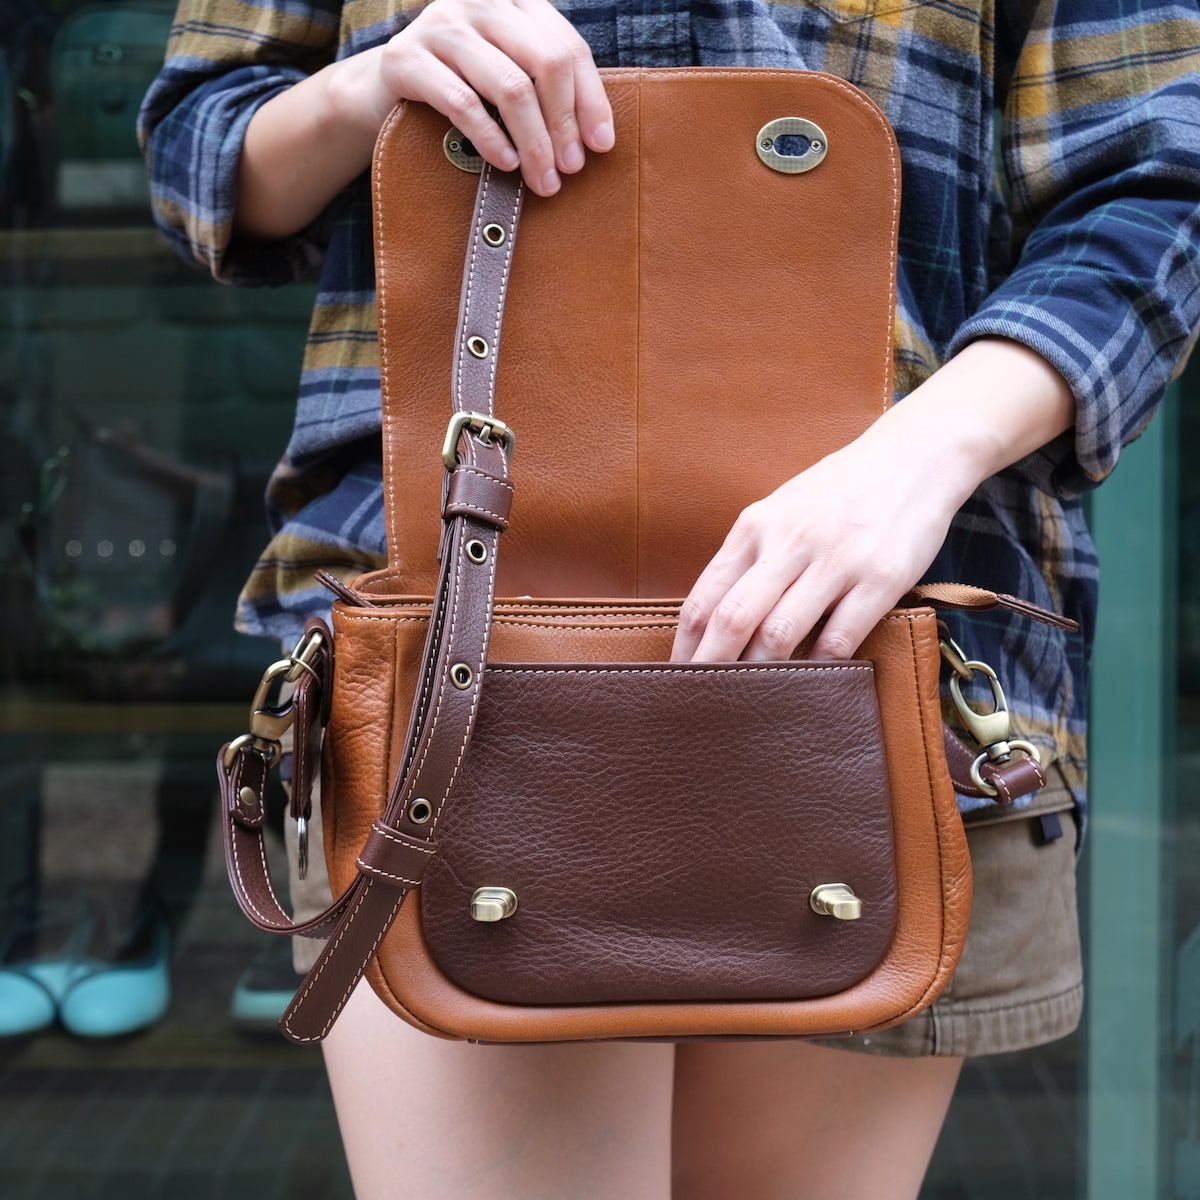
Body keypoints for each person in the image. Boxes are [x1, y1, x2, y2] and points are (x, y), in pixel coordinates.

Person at [140, 0, 1200, 1195]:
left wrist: (920, 459)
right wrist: (377, 82)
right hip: (446, 639)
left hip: (882, 632)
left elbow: (1160, 182)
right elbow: (198, 151)